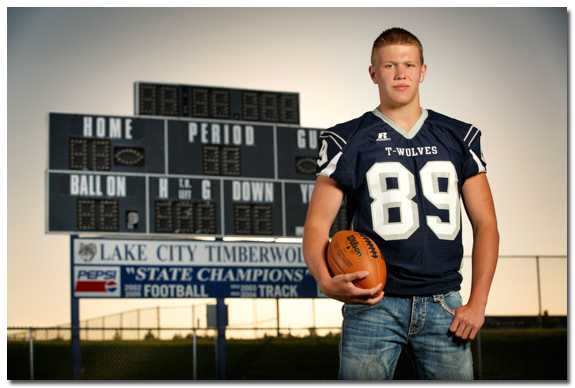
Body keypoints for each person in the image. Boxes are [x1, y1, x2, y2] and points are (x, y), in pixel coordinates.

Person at [302, 27, 499, 380]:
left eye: (409, 64)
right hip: (373, 301)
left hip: (444, 302)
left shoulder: (459, 135)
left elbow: (486, 224)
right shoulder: (346, 138)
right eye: (389, 65)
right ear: (373, 73)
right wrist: (325, 281)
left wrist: (477, 303)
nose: (400, 73)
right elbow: (317, 225)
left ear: (423, 70)